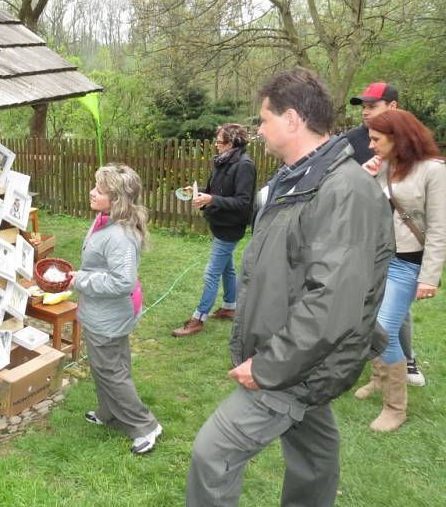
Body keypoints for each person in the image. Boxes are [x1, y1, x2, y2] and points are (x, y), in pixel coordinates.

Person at [186, 67, 394, 507]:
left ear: (292, 119)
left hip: (294, 361)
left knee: (213, 454)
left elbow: (333, 300)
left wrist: (268, 367)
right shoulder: (295, 178)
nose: (258, 131)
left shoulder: (344, 191)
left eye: (264, 120)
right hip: (297, 353)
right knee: (314, 452)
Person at [354, 110, 446, 432]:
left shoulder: (434, 171)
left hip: (408, 264)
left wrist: (429, 278)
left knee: (385, 329)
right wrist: (368, 176)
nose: (370, 144)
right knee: (369, 321)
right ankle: (380, 380)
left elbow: (439, 229)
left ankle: (395, 408)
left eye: (376, 139)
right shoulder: (386, 166)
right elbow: (366, 206)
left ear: (398, 138)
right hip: (379, 258)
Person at [68, 164, 162, 455]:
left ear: (117, 199)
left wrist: (79, 279)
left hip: (108, 318)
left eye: (99, 190)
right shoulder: (104, 219)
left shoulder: (119, 235)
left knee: (112, 372)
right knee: (107, 366)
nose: (92, 192)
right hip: (101, 313)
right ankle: (109, 412)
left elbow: (123, 282)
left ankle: (145, 426)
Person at [346, 83, 425, 386]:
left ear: (392, 107)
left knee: (393, 312)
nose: (365, 111)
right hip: (366, 240)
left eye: (372, 105)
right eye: (362, 106)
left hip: (403, 251)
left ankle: (406, 361)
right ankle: (379, 367)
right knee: (372, 303)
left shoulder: (410, 145)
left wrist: (429, 273)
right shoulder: (353, 140)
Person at [172, 123, 256, 337]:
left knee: (211, 273)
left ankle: (198, 318)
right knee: (227, 269)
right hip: (219, 222)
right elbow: (217, 189)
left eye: (220, 142)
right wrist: (198, 192)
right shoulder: (222, 161)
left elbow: (244, 202)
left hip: (231, 226)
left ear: (232, 142)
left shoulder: (244, 165)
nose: (216, 146)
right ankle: (230, 306)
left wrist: (212, 199)